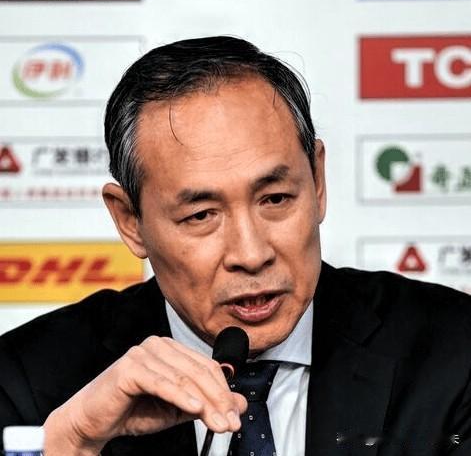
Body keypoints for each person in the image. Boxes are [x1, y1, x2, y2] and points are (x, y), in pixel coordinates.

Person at [0, 36, 470, 456]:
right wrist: (71, 446)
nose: (251, 254)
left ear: (318, 181)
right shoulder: (28, 382)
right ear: (131, 222)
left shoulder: (455, 353)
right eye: (201, 215)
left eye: (276, 199)